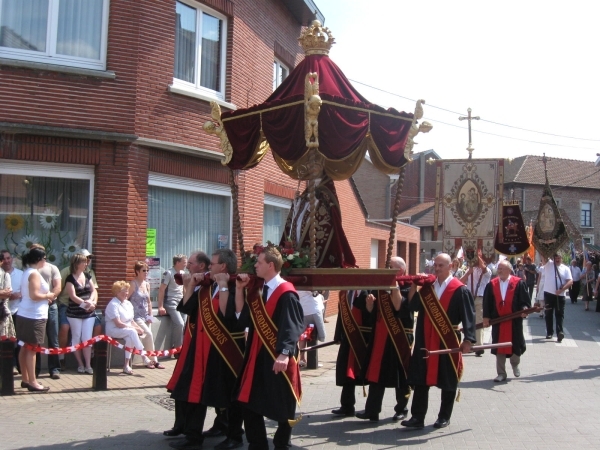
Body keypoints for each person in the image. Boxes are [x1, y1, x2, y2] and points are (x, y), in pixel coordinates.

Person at [166, 249, 248, 450]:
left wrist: (222, 286)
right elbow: (186, 309)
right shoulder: (206, 286)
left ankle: (234, 435)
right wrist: (190, 285)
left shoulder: (235, 285)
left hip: (224, 349)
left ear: (223, 266)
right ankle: (193, 436)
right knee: (196, 391)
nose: (209, 266)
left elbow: (229, 316)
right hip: (202, 347)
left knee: (228, 393)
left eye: (213, 264)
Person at [235, 246, 304, 450]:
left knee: (282, 404)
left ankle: (282, 444)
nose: (255, 265)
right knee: (250, 402)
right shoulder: (259, 290)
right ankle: (257, 445)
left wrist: (283, 354)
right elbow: (242, 318)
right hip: (256, 355)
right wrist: (240, 290)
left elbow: (291, 326)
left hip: (277, 357)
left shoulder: (286, 293)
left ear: (271, 265)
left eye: (259, 262)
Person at [401, 253, 475, 430]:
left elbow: (468, 316)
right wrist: (414, 285)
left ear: (451, 266)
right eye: (435, 265)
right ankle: (417, 417)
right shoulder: (428, 288)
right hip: (425, 338)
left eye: (441, 265)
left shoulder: (460, 289)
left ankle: (444, 416)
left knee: (448, 379)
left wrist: (469, 340)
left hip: (447, 339)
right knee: (420, 379)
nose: (437, 268)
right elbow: (412, 306)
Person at [356, 256, 414, 423]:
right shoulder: (380, 286)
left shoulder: (407, 286)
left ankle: (402, 409)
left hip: (399, 336)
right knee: (376, 373)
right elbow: (371, 312)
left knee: (401, 374)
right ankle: (372, 410)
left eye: (390, 267)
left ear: (400, 271)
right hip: (380, 335)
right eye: (386, 266)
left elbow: (398, 306)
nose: (386, 268)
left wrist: (393, 286)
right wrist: (370, 305)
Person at [482, 260, 531, 382]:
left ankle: (515, 364)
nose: (499, 270)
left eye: (502, 268)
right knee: (499, 347)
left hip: (514, 321)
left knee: (516, 345)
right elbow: (487, 303)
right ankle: (501, 373)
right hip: (498, 321)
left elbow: (525, 301)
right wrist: (486, 317)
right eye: (498, 268)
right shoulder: (492, 284)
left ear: (509, 270)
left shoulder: (518, 283)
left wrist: (525, 309)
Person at [16, 247, 54, 392]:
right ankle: (32, 381)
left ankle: (25, 379)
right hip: (34, 316)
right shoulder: (34, 274)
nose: (45, 261)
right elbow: (34, 295)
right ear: (39, 259)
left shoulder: (27, 272)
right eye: (44, 258)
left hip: (25, 313)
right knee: (32, 348)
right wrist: (48, 296)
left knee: (25, 347)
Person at [331, 288, 372, 418]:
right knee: (346, 372)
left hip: (361, 339)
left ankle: (372, 409)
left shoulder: (367, 293)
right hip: (347, 338)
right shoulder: (345, 293)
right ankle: (347, 406)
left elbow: (369, 314)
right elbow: (341, 315)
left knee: (365, 373)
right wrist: (338, 335)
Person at [57, 249, 100, 370]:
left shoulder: (89, 273)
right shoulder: (67, 273)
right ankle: (62, 358)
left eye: (88, 260)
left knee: (96, 328)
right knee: (65, 328)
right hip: (68, 306)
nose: (88, 262)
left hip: (89, 309)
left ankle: (91, 359)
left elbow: (94, 290)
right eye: (85, 260)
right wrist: (85, 304)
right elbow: (68, 294)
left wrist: (92, 303)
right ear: (77, 263)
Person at [29, 244, 61, 379]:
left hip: (51, 306)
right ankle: (34, 370)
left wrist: (50, 297)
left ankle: (54, 369)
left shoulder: (52, 268)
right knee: (36, 340)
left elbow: (58, 286)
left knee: (53, 337)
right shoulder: (29, 270)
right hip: (35, 307)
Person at [104, 281, 148, 374]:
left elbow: (131, 320)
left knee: (130, 337)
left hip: (127, 329)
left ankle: (126, 365)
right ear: (117, 292)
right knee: (132, 332)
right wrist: (135, 329)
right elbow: (118, 323)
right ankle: (143, 355)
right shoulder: (113, 304)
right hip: (113, 330)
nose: (127, 293)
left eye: (127, 291)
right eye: (124, 291)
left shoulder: (128, 303)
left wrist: (138, 328)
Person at [129, 261, 164, 369]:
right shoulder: (133, 284)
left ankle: (153, 360)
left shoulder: (147, 284)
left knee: (149, 336)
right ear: (137, 271)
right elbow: (126, 299)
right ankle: (149, 360)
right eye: (144, 270)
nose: (146, 272)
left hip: (145, 315)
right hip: (135, 316)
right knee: (148, 334)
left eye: (147, 270)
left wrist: (150, 316)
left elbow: (149, 302)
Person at [460, 251, 491, 356]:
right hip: (469, 298)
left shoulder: (486, 271)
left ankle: (479, 346)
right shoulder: (469, 270)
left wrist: (476, 255)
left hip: (479, 298)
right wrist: (468, 272)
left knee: (478, 321)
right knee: (469, 321)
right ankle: (471, 343)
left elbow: (483, 266)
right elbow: (460, 282)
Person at [158, 254, 187, 351]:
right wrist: (160, 306)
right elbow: (162, 289)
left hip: (181, 302)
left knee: (185, 324)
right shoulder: (168, 273)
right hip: (171, 302)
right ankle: (178, 349)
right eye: (184, 262)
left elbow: (184, 289)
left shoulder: (183, 273)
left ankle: (182, 347)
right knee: (180, 324)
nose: (185, 264)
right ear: (177, 262)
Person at [1, 250, 23, 373]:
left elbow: (27, 291)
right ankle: (10, 366)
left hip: (18, 311)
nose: (7, 261)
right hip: (3, 312)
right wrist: (8, 295)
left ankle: (20, 366)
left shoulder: (20, 274)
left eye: (9, 258)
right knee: (7, 341)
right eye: (4, 259)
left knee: (19, 341)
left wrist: (19, 294)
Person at [543, 253, 573, 342]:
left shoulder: (566, 268)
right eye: (556, 257)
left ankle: (560, 332)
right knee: (548, 314)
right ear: (553, 258)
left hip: (560, 295)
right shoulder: (548, 264)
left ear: (562, 258)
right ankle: (549, 332)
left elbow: (570, 281)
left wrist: (562, 289)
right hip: (548, 293)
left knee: (559, 314)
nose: (557, 259)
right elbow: (543, 255)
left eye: (559, 257)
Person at [297, 290, 326, 367]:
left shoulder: (298, 283)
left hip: (303, 310)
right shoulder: (308, 282)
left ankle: (302, 358)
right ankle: (313, 361)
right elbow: (318, 291)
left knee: (304, 336)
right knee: (314, 335)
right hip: (314, 309)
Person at [0, 264, 15, 339]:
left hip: (2, 314)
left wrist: (3, 293)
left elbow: (7, 294)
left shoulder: (5, 275)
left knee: (3, 345)